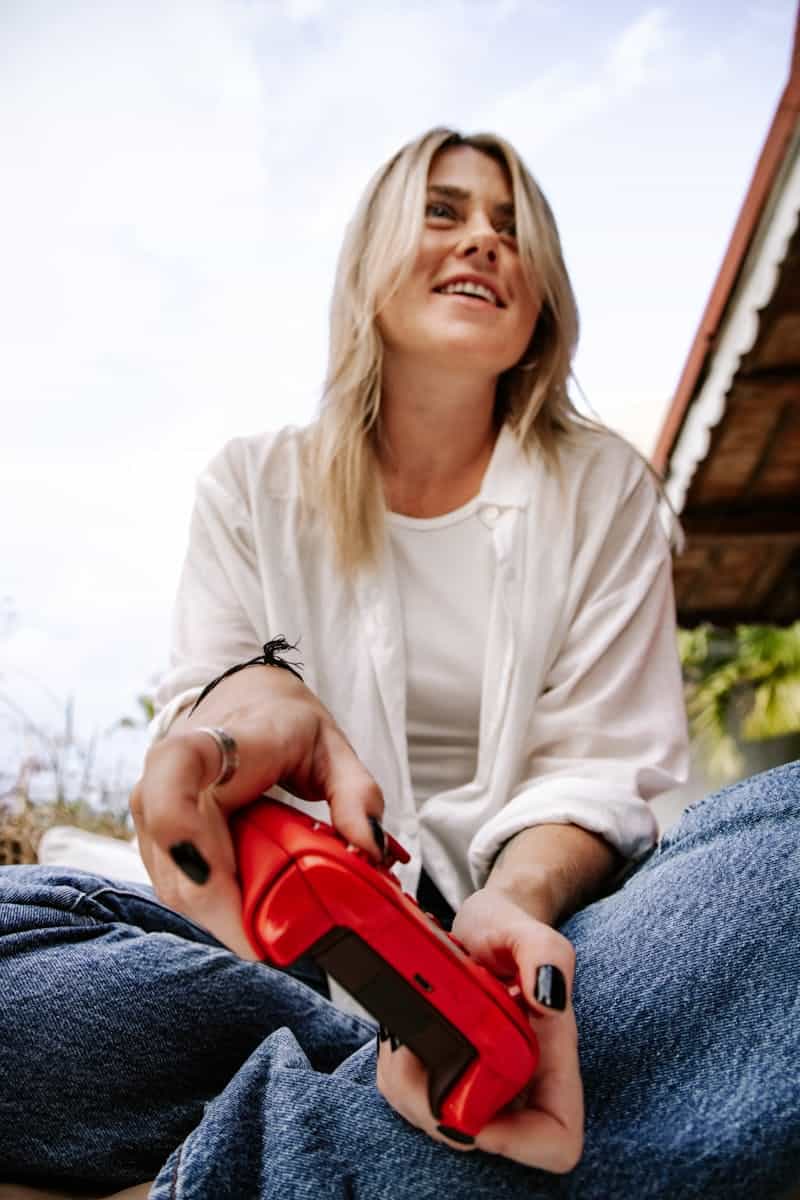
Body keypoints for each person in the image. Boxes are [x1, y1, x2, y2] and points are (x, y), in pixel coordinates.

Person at [1, 128, 798, 1200]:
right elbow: (217, 690)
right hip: (275, 960)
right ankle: (404, 1104)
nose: (483, 240)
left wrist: (509, 904)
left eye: (513, 228)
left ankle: (277, 1137)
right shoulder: (247, 486)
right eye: (444, 211)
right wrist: (243, 713)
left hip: (546, 948)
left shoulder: (604, 488)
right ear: (369, 256)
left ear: (543, 293)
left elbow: (599, 765)